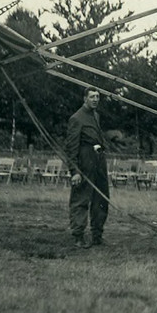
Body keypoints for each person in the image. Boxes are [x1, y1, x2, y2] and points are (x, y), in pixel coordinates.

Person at [67, 88, 111, 248]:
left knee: (101, 198)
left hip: (99, 161)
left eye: (98, 97)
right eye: (92, 97)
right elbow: (71, 147)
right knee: (81, 198)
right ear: (84, 98)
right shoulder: (76, 118)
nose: (95, 100)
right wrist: (75, 171)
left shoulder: (96, 116)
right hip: (84, 161)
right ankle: (78, 235)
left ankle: (97, 235)